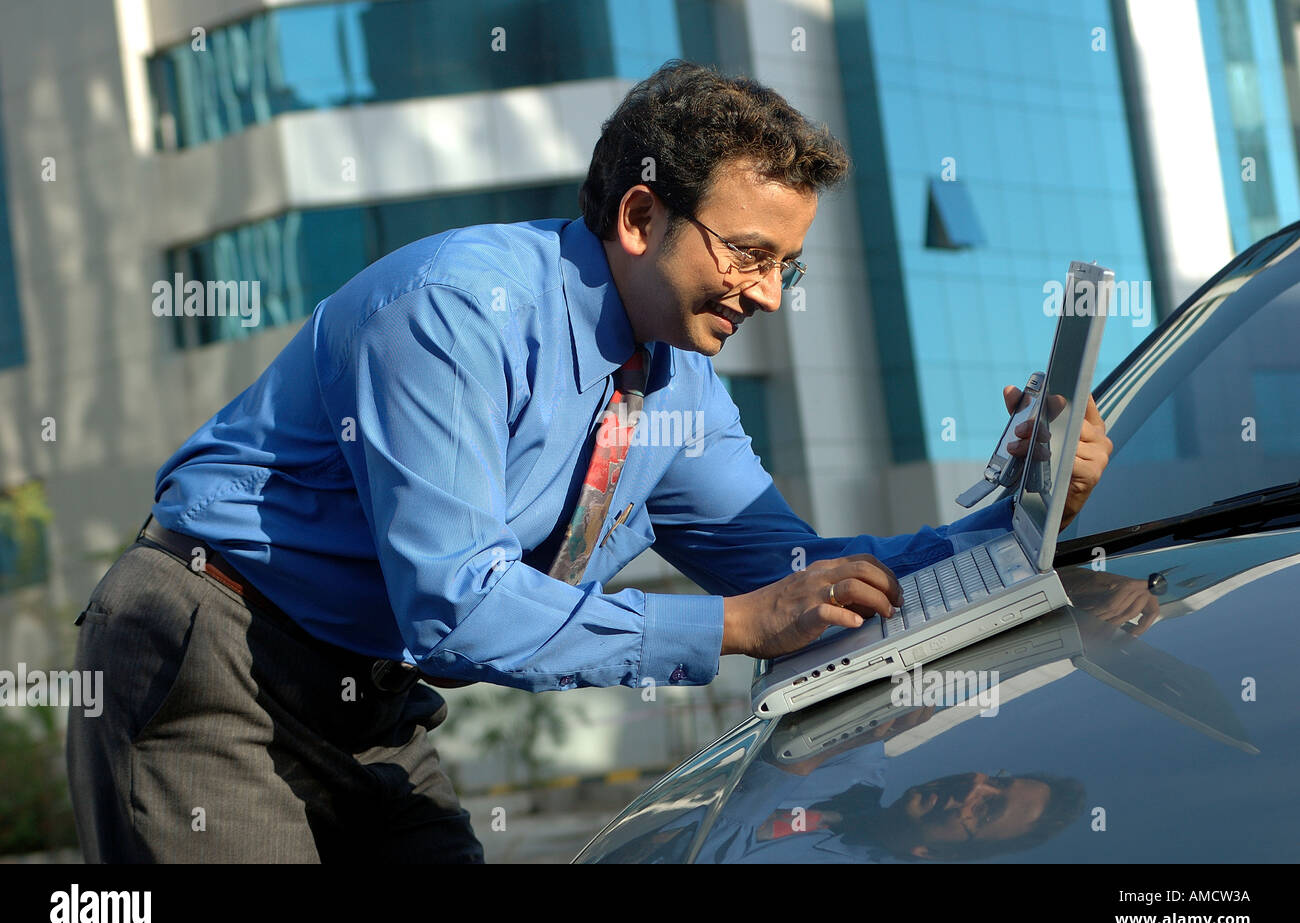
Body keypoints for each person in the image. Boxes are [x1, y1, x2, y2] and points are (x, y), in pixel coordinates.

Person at [66, 59, 1111, 863]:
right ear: (639, 215)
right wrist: (734, 628)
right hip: (217, 651)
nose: (764, 294)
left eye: (785, 267)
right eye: (746, 253)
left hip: (367, 688)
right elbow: (458, 605)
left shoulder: (680, 386)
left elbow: (797, 580)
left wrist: (1024, 508)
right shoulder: (452, 315)